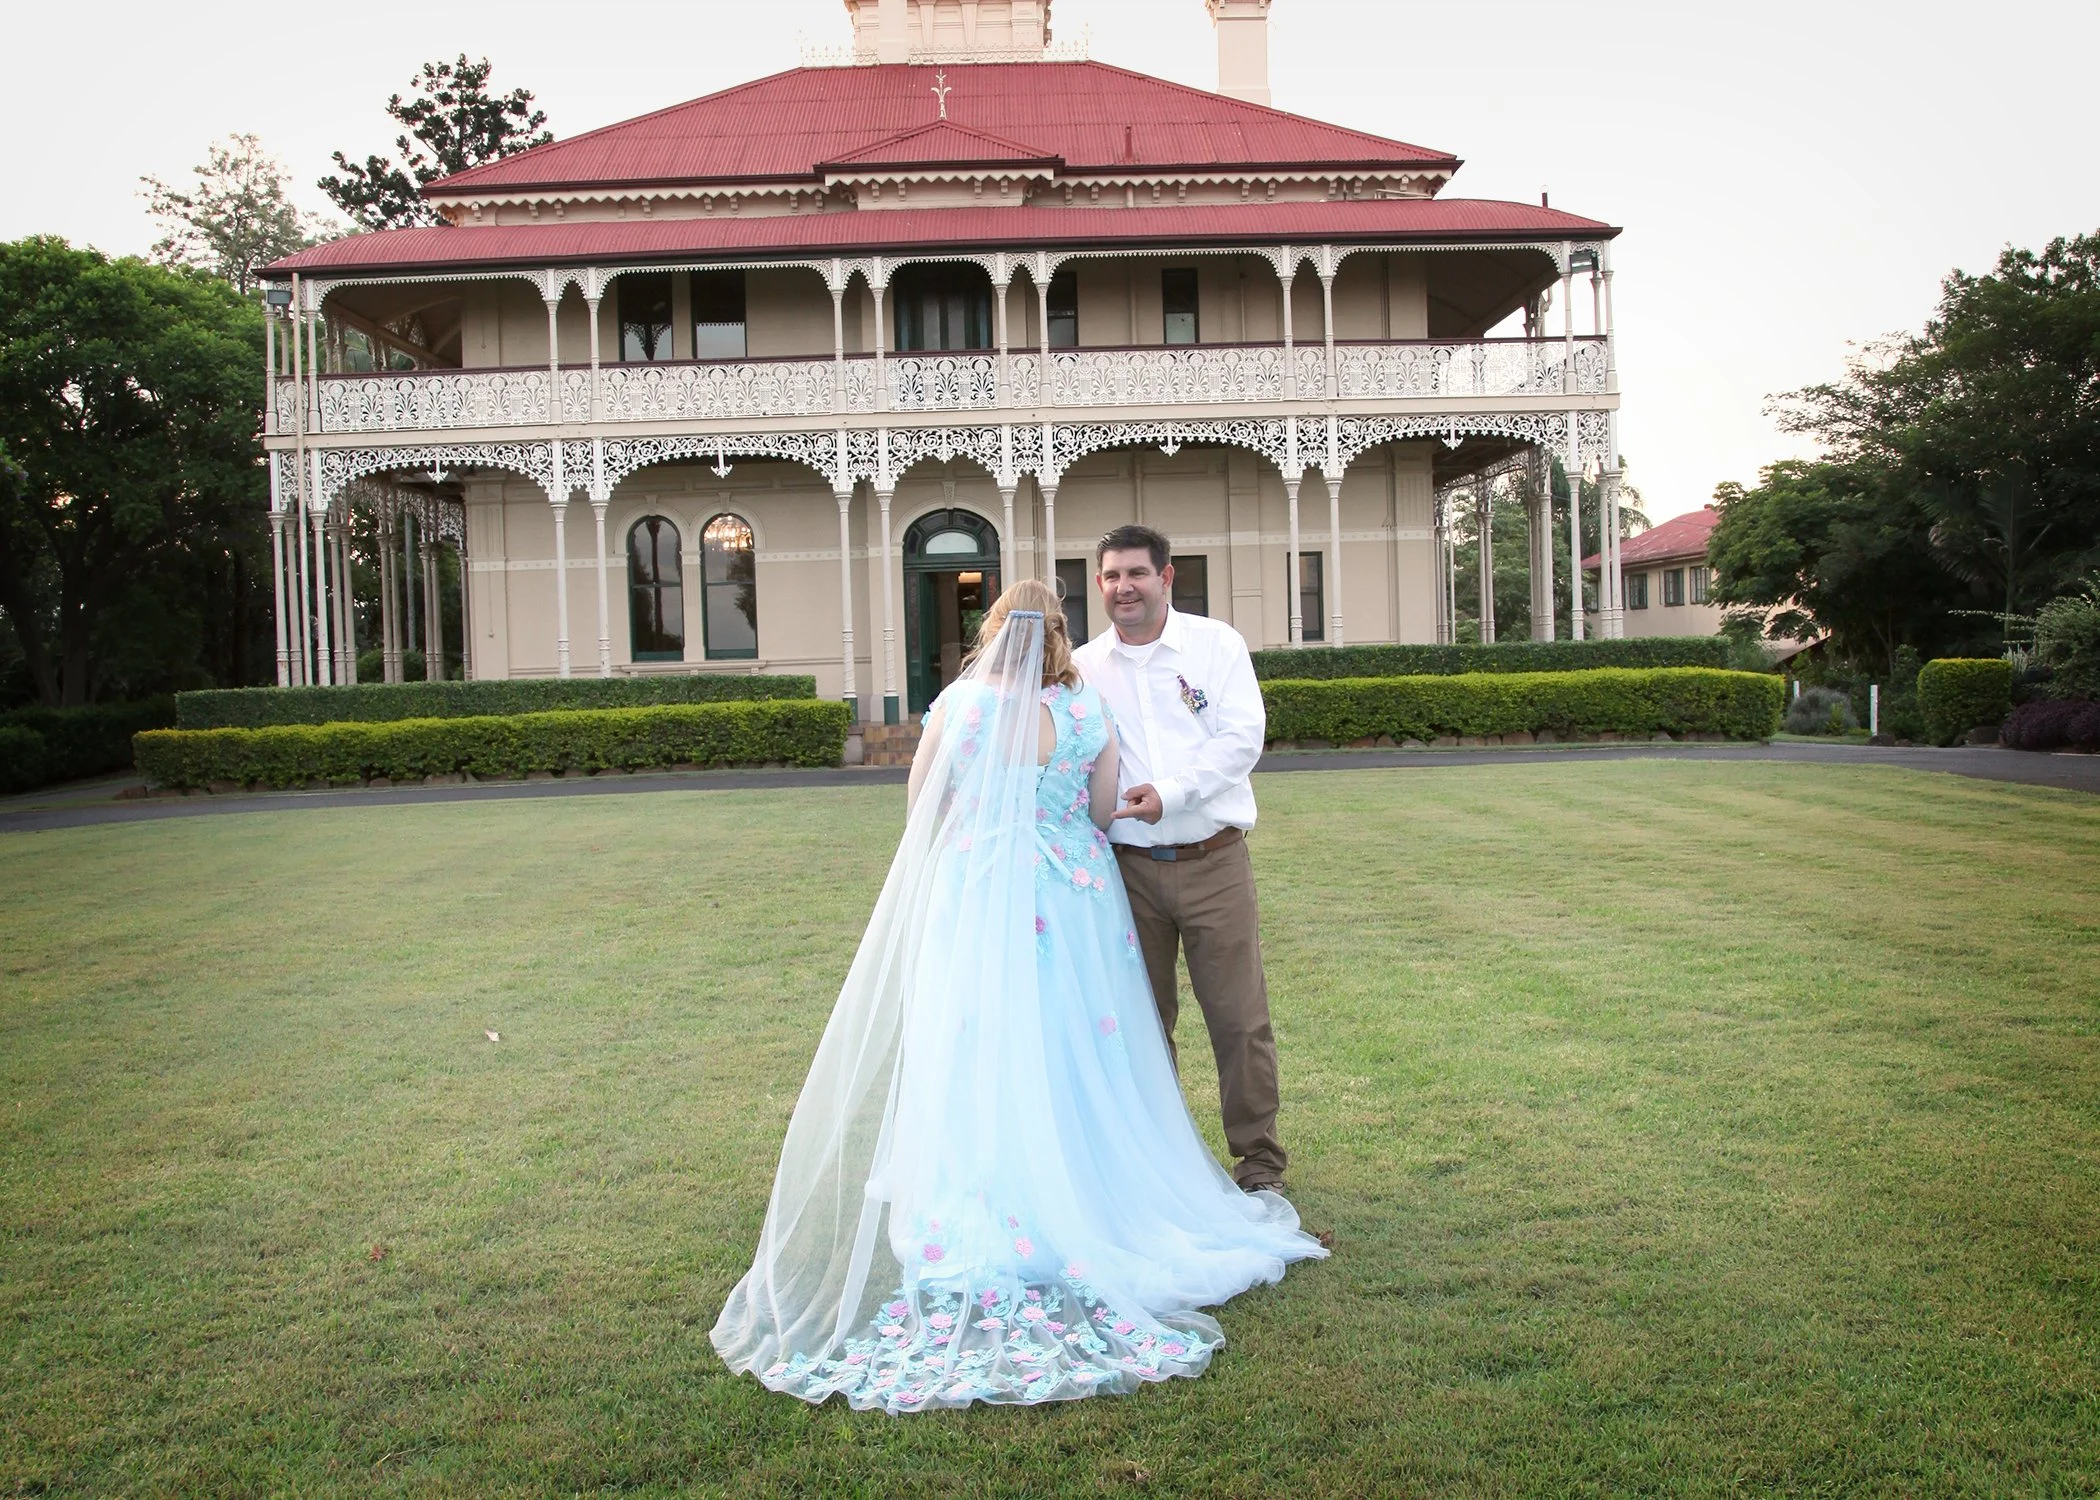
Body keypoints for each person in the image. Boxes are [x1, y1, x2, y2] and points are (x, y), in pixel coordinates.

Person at [713, 578, 1324, 1413]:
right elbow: (1105, 808)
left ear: (993, 629)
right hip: (1074, 897)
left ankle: (988, 1199)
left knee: (978, 1042)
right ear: (1061, 634)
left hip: (982, 889)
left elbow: (922, 807)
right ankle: (1092, 1188)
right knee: (1079, 1044)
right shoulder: (1081, 711)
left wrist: (983, 826)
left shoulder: (960, 707)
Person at [1072, 526, 1288, 1195]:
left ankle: (1259, 1166)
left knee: (1239, 1020)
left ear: (1167, 579)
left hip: (1214, 860)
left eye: (1136, 574)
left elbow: (1240, 741)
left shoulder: (1214, 645)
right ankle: (1159, 1166)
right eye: (1110, 576)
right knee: (1140, 1023)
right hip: (1126, 871)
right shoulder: (1084, 666)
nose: (1122, 588)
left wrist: (1169, 793)